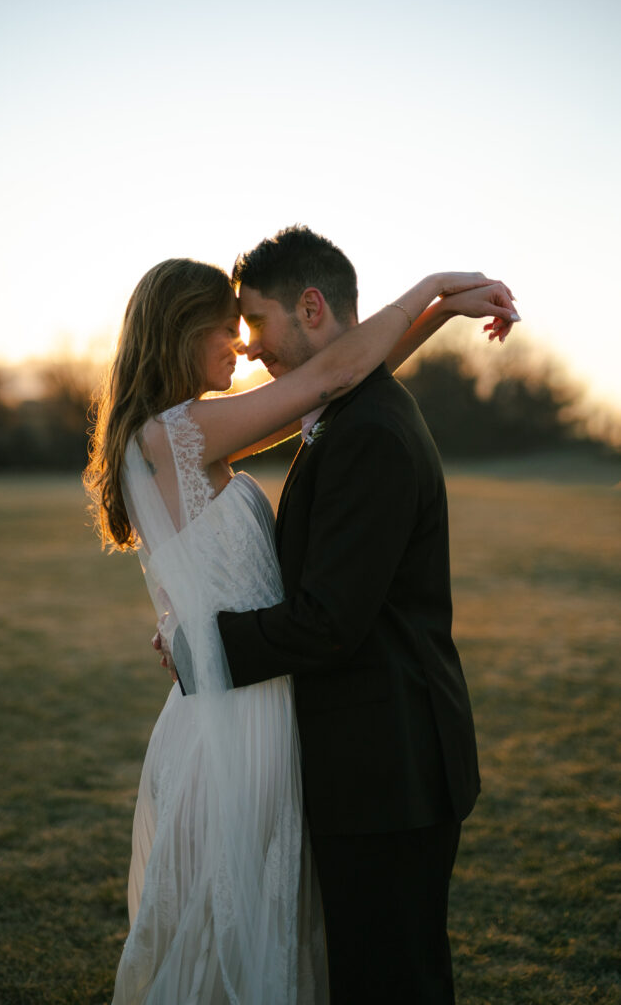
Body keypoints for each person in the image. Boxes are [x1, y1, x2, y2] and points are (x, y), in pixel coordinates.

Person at [86, 248, 517, 1004]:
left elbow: (340, 383)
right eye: (228, 328)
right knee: (232, 937)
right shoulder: (175, 437)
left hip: (262, 705)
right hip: (231, 723)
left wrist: (437, 317)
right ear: (183, 333)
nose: (243, 345)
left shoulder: (199, 434)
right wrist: (432, 287)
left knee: (274, 927)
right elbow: (329, 378)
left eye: (244, 324)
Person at [208, 227, 519, 1004]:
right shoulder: (350, 409)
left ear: (311, 308)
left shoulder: (369, 433)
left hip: (389, 771)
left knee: (392, 982)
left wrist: (204, 647)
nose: (251, 349)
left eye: (257, 322)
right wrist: (439, 306)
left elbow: (327, 622)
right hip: (379, 763)